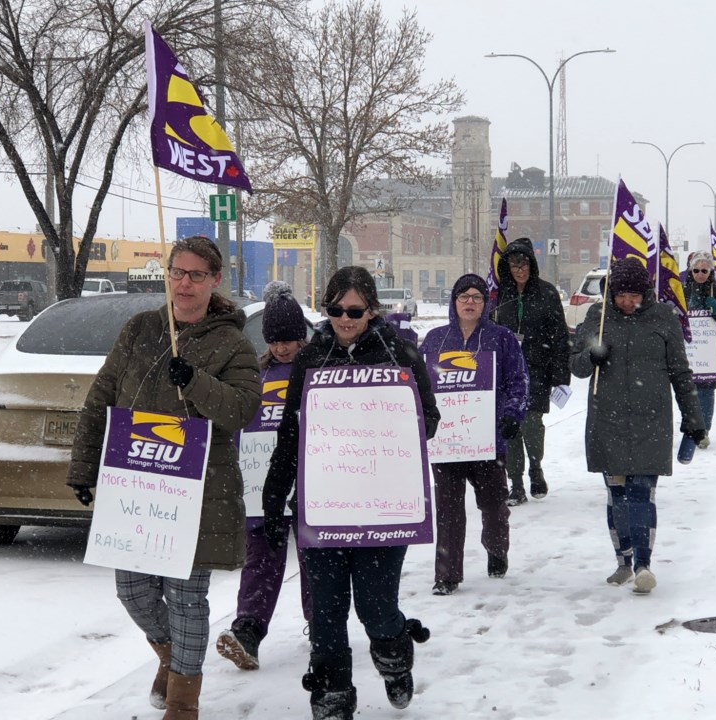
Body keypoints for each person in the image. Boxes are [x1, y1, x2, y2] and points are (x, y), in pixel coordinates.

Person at [66, 235, 261, 719]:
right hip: (136, 482)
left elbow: (241, 410)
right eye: (177, 272)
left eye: (196, 274)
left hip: (197, 491)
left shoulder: (232, 342)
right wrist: (85, 466)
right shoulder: (140, 330)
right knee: (132, 591)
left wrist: (193, 381)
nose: (184, 283)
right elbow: (102, 398)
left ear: (215, 280)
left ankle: (182, 702)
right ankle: (175, 659)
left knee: (187, 597)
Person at [262, 266, 440, 720]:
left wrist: (389, 415)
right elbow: (289, 434)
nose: (345, 318)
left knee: (376, 610)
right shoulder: (310, 359)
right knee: (326, 613)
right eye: (336, 309)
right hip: (323, 507)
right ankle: (332, 696)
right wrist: (273, 499)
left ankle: (395, 655)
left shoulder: (399, 355)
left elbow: (430, 422)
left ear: (373, 309)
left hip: (381, 507)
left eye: (355, 310)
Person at [570, 259, 705, 595]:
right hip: (608, 419)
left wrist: (693, 418)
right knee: (617, 495)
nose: (627, 302)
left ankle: (644, 564)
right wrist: (592, 356)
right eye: (621, 295)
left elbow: (680, 371)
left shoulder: (663, 318)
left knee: (642, 493)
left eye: (634, 295)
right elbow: (576, 366)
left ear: (645, 292)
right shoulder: (597, 318)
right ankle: (623, 560)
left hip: (651, 420)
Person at [216, 280, 312, 671]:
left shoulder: (316, 369)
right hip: (260, 488)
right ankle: (247, 632)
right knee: (261, 559)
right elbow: (237, 424)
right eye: (275, 339)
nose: (282, 347)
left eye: (289, 339)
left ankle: (322, 625)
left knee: (317, 559)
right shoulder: (254, 375)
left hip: (310, 486)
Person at [419, 273, 528, 596]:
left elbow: (519, 380)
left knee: (494, 506)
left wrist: (512, 413)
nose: (470, 302)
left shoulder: (501, 338)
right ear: (454, 302)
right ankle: (447, 573)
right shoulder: (435, 340)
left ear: (486, 303)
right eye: (464, 296)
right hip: (448, 441)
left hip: (487, 439)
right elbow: (422, 387)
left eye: (477, 297)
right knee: (449, 510)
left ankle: (496, 548)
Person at [493, 237, 570, 505]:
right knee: (510, 427)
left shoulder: (547, 293)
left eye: (523, 263)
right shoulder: (501, 295)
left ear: (532, 264)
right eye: (514, 264)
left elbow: (560, 336)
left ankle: (536, 467)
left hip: (538, 369)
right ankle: (515, 483)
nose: (519, 269)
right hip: (508, 372)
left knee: (532, 424)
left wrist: (561, 377)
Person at [682, 251, 716, 448]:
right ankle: (689, 428)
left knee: (705, 392)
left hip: (708, 353)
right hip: (687, 352)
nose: (700, 274)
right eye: (696, 270)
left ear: (710, 271)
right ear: (691, 270)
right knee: (686, 392)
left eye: (704, 270)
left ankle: (703, 431)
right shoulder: (681, 290)